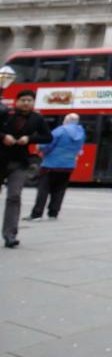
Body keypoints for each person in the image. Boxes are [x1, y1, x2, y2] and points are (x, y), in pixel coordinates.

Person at [0, 90, 53, 248]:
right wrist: (3, 137)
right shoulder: (4, 113)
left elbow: (48, 137)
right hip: (1, 159)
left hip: (20, 163)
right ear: (17, 101)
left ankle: (10, 235)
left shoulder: (37, 118)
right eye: (23, 100)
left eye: (29, 100)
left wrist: (29, 139)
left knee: (14, 197)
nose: (26, 103)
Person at [27, 112, 85, 221]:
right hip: (68, 165)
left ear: (66, 121)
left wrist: (40, 148)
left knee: (43, 189)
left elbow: (47, 144)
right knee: (60, 189)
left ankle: (37, 213)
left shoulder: (60, 130)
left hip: (51, 164)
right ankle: (53, 213)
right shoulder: (81, 132)